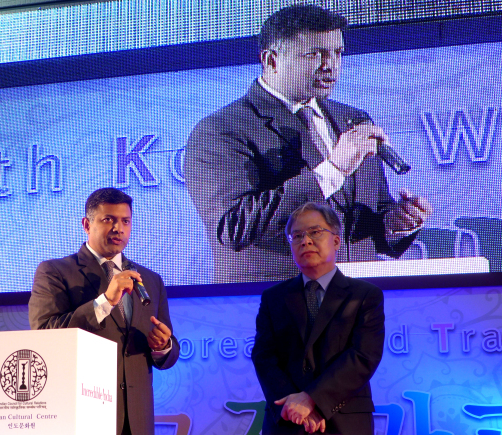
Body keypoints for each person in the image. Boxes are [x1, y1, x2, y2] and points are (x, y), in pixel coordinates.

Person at [184, 5, 432, 283]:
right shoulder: (220, 130)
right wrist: (334, 168)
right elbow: (233, 226)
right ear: (272, 60)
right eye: (315, 54)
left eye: (337, 53)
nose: (331, 65)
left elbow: (369, 215)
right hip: (278, 303)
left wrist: (393, 225)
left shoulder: (352, 118)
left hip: (355, 300)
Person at [28, 188, 179, 435]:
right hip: (82, 415)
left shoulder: (150, 279)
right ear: (87, 225)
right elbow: (45, 334)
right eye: (108, 219)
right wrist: (106, 300)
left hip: (138, 421)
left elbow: (168, 353)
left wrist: (163, 346)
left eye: (125, 221)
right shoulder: (54, 272)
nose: (118, 228)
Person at [252, 202, 384, 434]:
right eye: (297, 236)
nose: (305, 241)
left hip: (344, 421)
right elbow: (264, 357)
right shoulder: (273, 298)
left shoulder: (364, 295)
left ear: (336, 240)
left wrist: (313, 399)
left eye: (315, 232)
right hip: (287, 421)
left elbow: (364, 356)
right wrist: (294, 405)